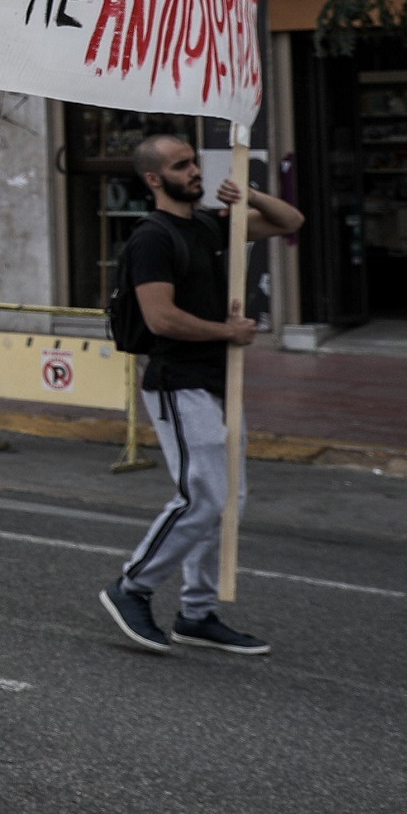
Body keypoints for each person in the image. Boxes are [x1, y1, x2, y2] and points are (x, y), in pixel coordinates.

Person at [101, 134, 300, 659]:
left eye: (194, 162)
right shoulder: (152, 239)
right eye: (181, 165)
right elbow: (159, 317)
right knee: (203, 496)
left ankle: (196, 612)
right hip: (177, 382)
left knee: (227, 502)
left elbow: (290, 223)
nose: (194, 171)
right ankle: (132, 587)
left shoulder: (210, 224)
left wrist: (250, 196)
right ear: (153, 179)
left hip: (215, 381)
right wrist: (226, 332)